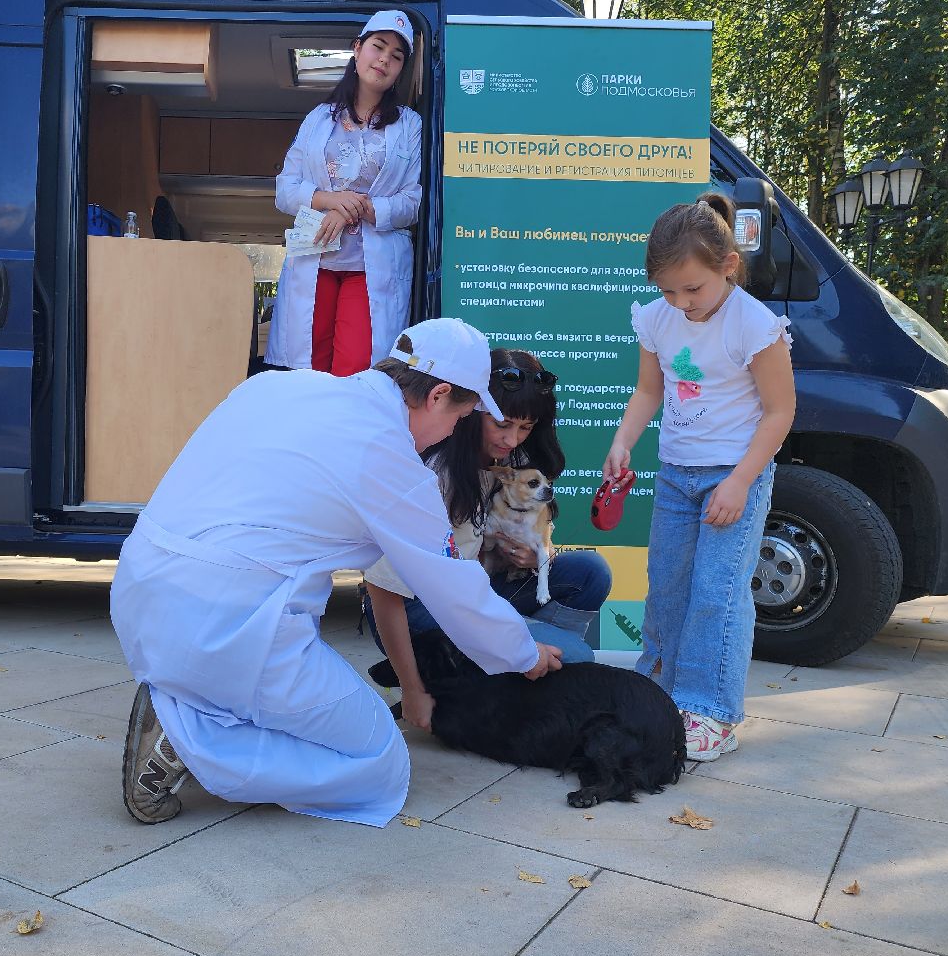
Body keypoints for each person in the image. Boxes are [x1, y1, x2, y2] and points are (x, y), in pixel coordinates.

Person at [112, 318, 562, 827]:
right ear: (438, 396)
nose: (454, 431)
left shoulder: (277, 386)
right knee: (379, 766)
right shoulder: (388, 457)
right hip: (230, 627)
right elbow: (454, 589)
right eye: (461, 417)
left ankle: (195, 699)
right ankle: (185, 739)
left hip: (139, 590)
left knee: (296, 698)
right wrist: (523, 654)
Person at [603, 191, 796, 762]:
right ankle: (659, 695)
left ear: (728, 265)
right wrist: (622, 441)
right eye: (668, 290)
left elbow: (780, 412)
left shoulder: (755, 325)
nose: (682, 303)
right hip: (675, 475)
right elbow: (648, 391)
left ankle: (711, 711)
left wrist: (739, 482)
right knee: (666, 586)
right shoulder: (657, 318)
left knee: (717, 592)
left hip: (734, 476)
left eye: (692, 289)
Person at [362, 348, 613, 730]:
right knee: (576, 656)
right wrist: (412, 689)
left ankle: (517, 663)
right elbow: (381, 590)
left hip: (478, 591)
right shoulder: (435, 475)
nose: (512, 439)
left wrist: (533, 558)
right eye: (502, 423)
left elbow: (536, 536)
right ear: (471, 410)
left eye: (526, 427)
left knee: (590, 572)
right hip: (420, 610)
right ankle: (502, 663)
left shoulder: (515, 462)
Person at [265, 10, 422, 376]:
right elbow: (285, 189)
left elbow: (412, 202)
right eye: (378, 46)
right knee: (308, 369)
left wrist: (359, 208)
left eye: (397, 56)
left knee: (356, 368)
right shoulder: (319, 118)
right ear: (357, 48)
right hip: (315, 256)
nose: (384, 59)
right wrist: (331, 201)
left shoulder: (409, 125)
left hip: (369, 267)